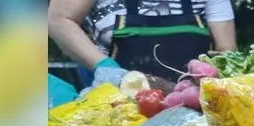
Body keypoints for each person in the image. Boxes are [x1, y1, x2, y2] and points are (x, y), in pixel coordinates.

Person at [49, 0, 237, 83]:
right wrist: (104, 66)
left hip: (193, 103)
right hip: (116, 100)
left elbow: (226, 50)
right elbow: (59, 20)